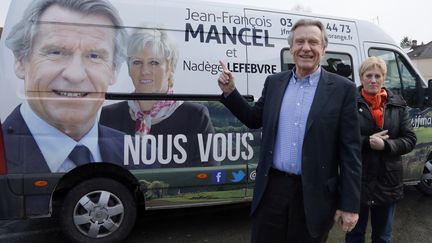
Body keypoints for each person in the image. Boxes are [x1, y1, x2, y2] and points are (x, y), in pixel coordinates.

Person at [217, 19, 362, 243]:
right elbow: (254, 119)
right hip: (271, 190)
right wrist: (230, 92)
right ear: (291, 48)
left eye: (313, 42)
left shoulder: (343, 90)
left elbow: (350, 151)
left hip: (314, 195)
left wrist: (350, 205)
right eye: (300, 41)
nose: (306, 47)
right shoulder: (274, 82)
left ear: (323, 49)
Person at [2, 0, 130, 173]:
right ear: (20, 61)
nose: (75, 75)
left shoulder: (142, 155)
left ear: (114, 70)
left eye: (94, 56)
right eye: (56, 52)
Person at [100, 28, 216, 168]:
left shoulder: (195, 116)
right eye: (137, 62)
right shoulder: (108, 116)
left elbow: (209, 171)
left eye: (154, 63)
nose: (145, 71)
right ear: (129, 68)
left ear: (171, 68)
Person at [345, 56, 416, 243]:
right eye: (369, 75)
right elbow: (341, 138)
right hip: (357, 181)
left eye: (378, 75)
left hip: (387, 182)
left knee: (383, 237)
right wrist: (366, 142)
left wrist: (387, 145)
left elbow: (410, 139)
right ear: (361, 77)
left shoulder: (397, 104)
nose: (373, 80)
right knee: (354, 235)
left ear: (384, 78)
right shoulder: (349, 102)